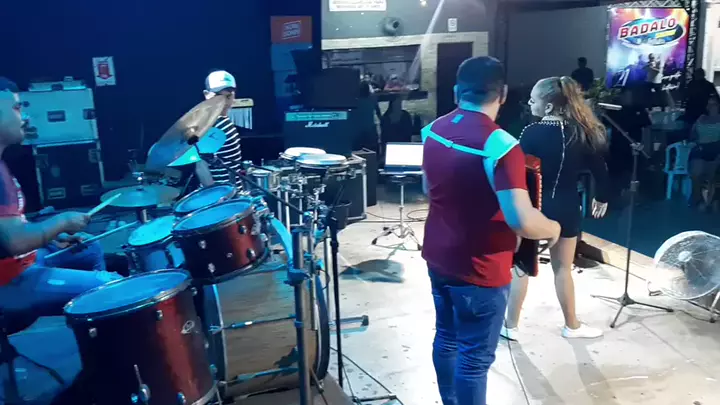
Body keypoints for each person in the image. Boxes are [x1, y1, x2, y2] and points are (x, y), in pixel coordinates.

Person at [422, 57, 561, 405]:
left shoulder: (433, 130)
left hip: (438, 254)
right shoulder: (501, 145)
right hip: (481, 267)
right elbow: (521, 220)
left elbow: (428, 188)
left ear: (457, 91)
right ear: (502, 94)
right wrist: (553, 228)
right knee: (474, 358)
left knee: (447, 337)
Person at [0, 77, 120, 322]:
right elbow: (14, 241)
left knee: (90, 249)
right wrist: (62, 221)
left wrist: (53, 235)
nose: (25, 117)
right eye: (16, 107)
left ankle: (96, 326)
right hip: (9, 280)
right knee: (113, 286)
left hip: (20, 262)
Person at [501, 76, 610, 341]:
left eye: (533, 100)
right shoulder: (581, 133)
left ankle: (510, 326)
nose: (529, 104)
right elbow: (601, 171)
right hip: (568, 208)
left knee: (522, 266)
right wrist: (601, 198)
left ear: (548, 106)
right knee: (563, 269)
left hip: (535, 208)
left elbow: (516, 173)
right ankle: (572, 326)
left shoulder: (530, 133)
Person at [195, 70, 243, 186]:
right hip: (221, 193)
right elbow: (201, 167)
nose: (224, 102)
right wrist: (216, 194)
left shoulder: (222, 119)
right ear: (206, 94)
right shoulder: (208, 125)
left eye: (228, 96)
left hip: (234, 189)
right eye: (218, 96)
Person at [688, 97, 720, 210]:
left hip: (716, 149)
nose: (711, 107)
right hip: (701, 149)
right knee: (696, 172)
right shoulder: (701, 119)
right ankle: (698, 199)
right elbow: (692, 136)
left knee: (714, 173)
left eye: (714, 104)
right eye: (709, 104)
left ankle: (712, 199)